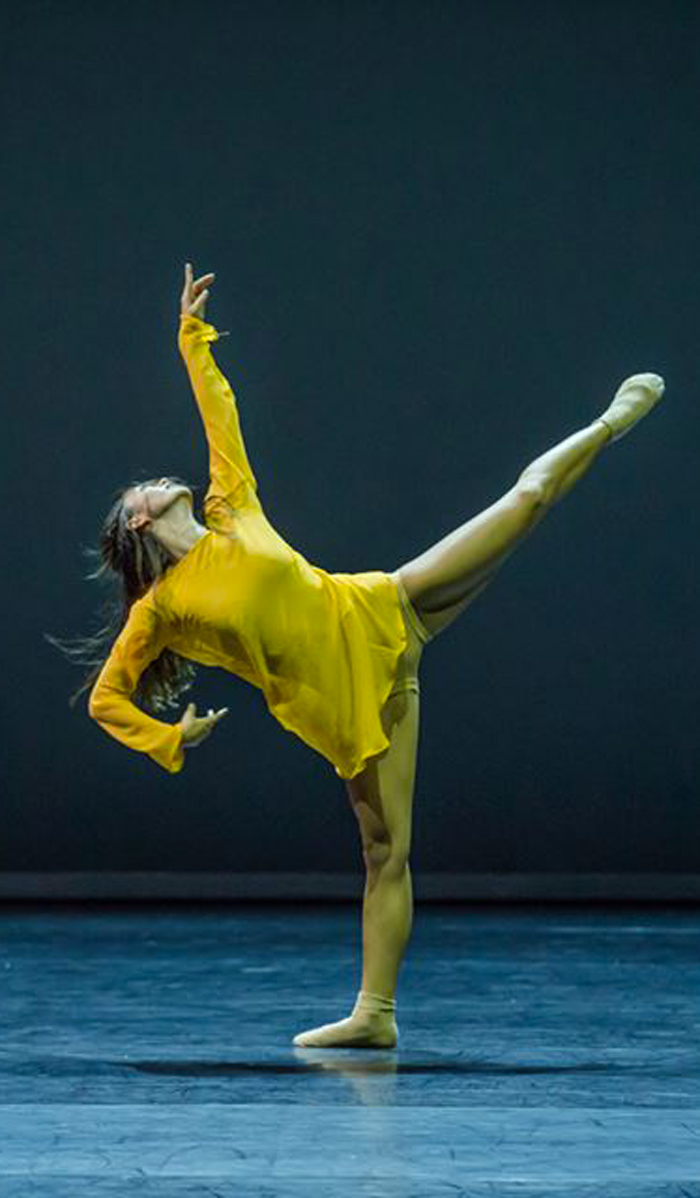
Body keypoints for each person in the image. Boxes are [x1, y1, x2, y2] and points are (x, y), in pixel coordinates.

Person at [57, 263, 665, 1049]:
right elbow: (107, 698)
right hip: (351, 706)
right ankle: (375, 1017)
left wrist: (189, 337)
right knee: (387, 853)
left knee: (525, 501)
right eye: (149, 488)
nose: (163, 480)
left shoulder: (230, 506)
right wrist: (169, 739)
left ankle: (610, 423)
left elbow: (220, 412)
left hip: (384, 609)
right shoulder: (162, 612)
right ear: (139, 523)